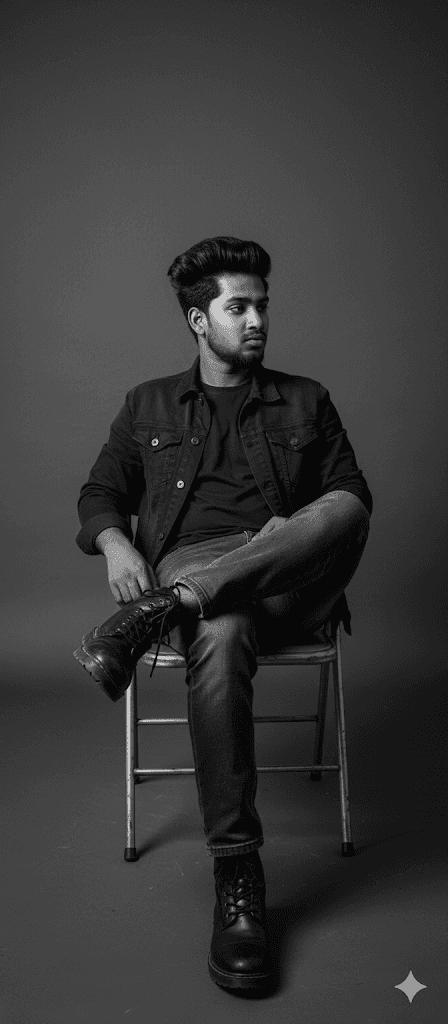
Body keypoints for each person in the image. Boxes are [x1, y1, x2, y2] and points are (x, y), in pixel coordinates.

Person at [73, 236, 372, 993]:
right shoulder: (147, 404)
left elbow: (347, 503)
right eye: (239, 308)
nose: (258, 320)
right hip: (195, 561)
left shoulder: (307, 399)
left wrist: (270, 547)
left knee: (345, 507)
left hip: (289, 572)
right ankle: (239, 875)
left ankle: (165, 609)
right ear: (199, 321)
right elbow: (100, 492)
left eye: (262, 306)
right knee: (222, 622)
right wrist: (114, 543)